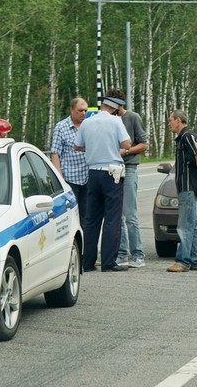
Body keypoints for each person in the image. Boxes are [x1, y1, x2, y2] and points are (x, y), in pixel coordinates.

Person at [73, 95, 132, 272]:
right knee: (112, 219)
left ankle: (87, 262)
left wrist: (92, 147)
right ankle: (108, 262)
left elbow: (77, 146)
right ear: (114, 109)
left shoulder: (87, 122)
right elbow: (127, 144)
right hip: (112, 173)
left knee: (91, 220)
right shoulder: (115, 122)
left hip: (93, 173)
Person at [104, 89, 148, 268]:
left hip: (128, 168)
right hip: (113, 169)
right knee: (118, 215)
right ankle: (121, 253)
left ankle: (138, 254)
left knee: (130, 214)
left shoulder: (132, 117)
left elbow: (144, 143)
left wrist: (127, 151)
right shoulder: (109, 121)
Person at [166, 109, 197, 272]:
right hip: (187, 187)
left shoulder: (187, 137)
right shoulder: (182, 139)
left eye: (171, 120)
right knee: (192, 225)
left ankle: (183, 261)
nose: (169, 123)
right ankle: (195, 260)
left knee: (185, 226)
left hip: (188, 188)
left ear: (179, 120)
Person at [51, 97, 90, 228]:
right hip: (70, 180)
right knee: (71, 216)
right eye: (80, 110)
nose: (83, 113)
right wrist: (59, 178)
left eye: (86, 110)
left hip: (87, 179)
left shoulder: (89, 125)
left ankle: (87, 246)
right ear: (72, 110)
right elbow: (55, 153)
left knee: (87, 217)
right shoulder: (61, 127)